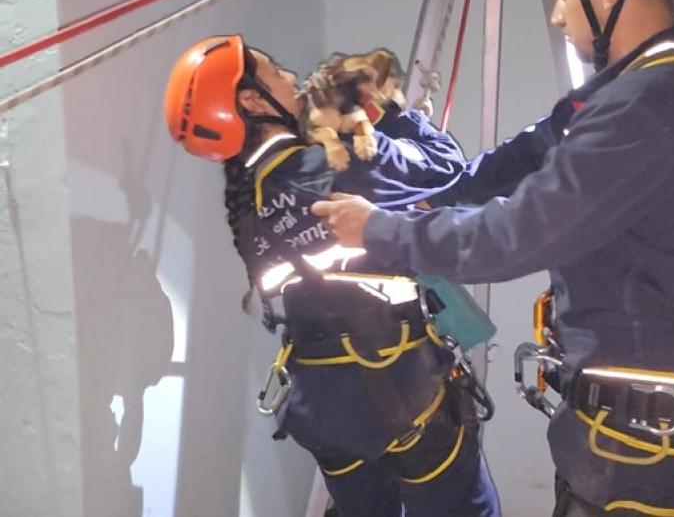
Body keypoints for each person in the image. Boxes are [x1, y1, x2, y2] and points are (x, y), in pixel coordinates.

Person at [313, 0, 674, 515]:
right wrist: (395, 123)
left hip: (645, 452)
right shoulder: (638, 90)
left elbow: (512, 236)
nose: (556, 14)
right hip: (632, 439)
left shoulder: (649, 103)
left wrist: (379, 230)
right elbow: (479, 175)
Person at [163, 35, 500, 517]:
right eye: (275, 70)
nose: (291, 76)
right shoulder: (334, 162)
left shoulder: (249, 197)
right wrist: (390, 114)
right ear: (254, 101)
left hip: (321, 400)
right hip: (402, 387)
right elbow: (450, 173)